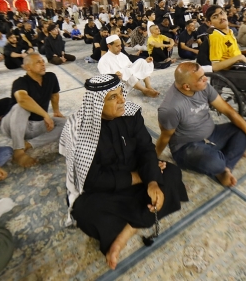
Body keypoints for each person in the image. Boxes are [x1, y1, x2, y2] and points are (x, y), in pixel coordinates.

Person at [59, 74, 188, 269]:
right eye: (113, 97)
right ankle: (133, 225)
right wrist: (140, 178)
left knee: (171, 173)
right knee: (84, 211)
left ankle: (123, 233)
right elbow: (92, 180)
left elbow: (146, 149)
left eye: (121, 93)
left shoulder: (131, 114)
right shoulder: (79, 130)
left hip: (138, 173)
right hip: (106, 187)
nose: (122, 100)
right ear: (97, 104)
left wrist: (152, 181)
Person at [156, 62, 246, 187]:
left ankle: (226, 168)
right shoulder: (170, 108)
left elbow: (229, 111)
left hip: (212, 134)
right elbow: (165, 137)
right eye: (201, 78)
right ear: (186, 86)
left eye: (204, 75)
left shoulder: (203, 87)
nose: (206, 79)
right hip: (187, 147)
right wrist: (152, 160)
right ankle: (221, 164)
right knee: (214, 162)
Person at [0, 53, 66, 167]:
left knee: (67, 123)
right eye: (38, 62)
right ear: (28, 67)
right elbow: (22, 99)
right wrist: (45, 115)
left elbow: (54, 95)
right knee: (20, 107)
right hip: (14, 125)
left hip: (37, 125)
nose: (43, 64)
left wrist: (56, 111)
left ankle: (29, 144)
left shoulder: (51, 77)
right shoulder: (20, 82)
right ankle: (18, 150)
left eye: (43, 61)